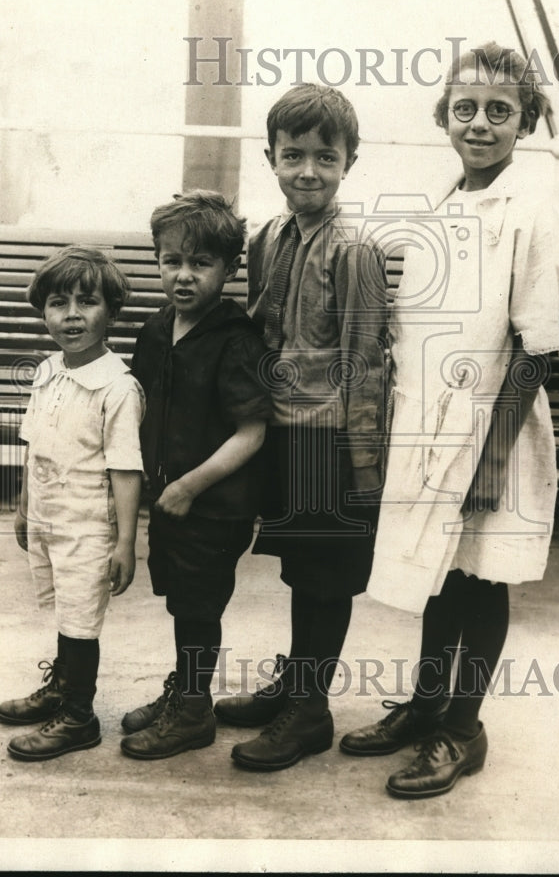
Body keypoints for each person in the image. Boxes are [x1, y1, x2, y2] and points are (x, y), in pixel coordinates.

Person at [341, 42, 559, 799]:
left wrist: (495, 459)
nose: (480, 123)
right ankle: (426, 703)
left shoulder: (536, 207)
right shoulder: (442, 204)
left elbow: (536, 346)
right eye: (466, 108)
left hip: (491, 430)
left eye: (499, 111)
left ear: (525, 120)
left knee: (480, 577)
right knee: (438, 575)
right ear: (444, 115)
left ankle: (462, 727)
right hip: (426, 428)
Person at [213, 83, 389, 771]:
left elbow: (366, 360)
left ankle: (309, 712)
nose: (307, 170)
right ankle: (294, 682)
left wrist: (366, 467)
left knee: (325, 577)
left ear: (350, 161)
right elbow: (262, 330)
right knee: (298, 569)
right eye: (293, 155)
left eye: (325, 156)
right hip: (283, 434)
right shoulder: (268, 236)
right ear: (271, 158)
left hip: (332, 440)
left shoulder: (354, 248)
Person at [119, 191, 271, 760]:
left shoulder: (235, 339)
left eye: (200, 264)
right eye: (171, 261)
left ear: (228, 269)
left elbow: (252, 433)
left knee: (199, 606)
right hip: (169, 500)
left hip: (213, 504)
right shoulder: (156, 330)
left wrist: (188, 486)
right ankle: (185, 690)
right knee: (182, 601)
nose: (183, 276)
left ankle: (193, 712)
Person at [0, 246, 145, 761]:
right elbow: (34, 444)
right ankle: (60, 688)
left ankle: (79, 716)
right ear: (44, 312)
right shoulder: (46, 370)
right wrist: (23, 506)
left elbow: (126, 468)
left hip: (87, 526)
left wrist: (125, 542)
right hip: (47, 517)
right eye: (59, 303)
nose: (72, 315)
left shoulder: (118, 387)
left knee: (82, 619)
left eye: (88, 302)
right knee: (65, 610)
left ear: (111, 312)